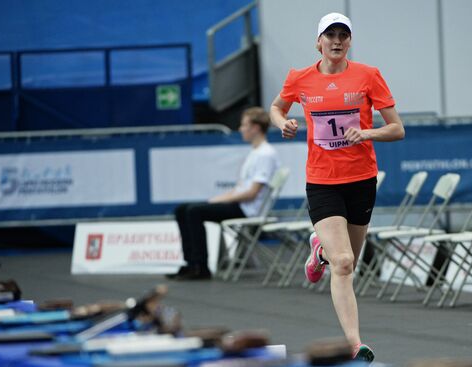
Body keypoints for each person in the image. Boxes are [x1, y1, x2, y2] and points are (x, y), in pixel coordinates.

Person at [270, 12, 405, 363]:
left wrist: (368, 132)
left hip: (361, 179)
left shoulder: (368, 76)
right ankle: (354, 346)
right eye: (330, 35)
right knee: (343, 264)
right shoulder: (299, 78)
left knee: (349, 263)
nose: (337, 41)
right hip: (322, 181)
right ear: (318, 42)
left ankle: (320, 253)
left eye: (343, 35)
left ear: (349, 42)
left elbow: (397, 129)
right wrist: (283, 122)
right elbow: (275, 108)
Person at [167, 107, 280, 280]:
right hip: (240, 204)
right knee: (182, 209)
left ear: (256, 128)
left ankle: (201, 266)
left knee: (194, 211)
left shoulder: (265, 154)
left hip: (248, 209)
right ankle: (190, 263)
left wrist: (218, 200)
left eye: (244, 125)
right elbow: (241, 189)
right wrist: (218, 199)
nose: (241, 129)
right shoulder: (255, 153)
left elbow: (252, 193)